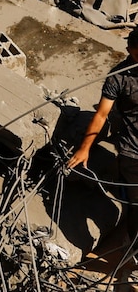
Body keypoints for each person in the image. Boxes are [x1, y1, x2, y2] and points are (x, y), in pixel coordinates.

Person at [67, 26, 138, 281]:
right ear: (130, 49)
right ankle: (131, 255)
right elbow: (101, 114)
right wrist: (84, 148)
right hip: (133, 154)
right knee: (136, 207)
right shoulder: (118, 77)